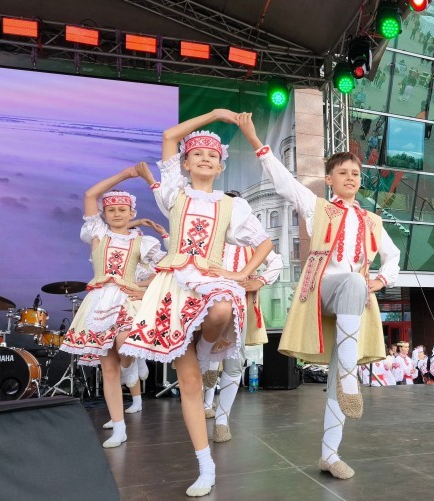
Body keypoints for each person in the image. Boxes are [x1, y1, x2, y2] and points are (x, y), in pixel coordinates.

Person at [119, 110, 272, 497]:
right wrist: (218, 115)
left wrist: (241, 274)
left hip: (210, 279)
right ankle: (206, 466)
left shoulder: (232, 206)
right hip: (172, 285)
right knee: (188, 383)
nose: (205, 159)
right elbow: (169, 135)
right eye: (197, 155)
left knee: (222, 307)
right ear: (185, 164)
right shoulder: (174, 194)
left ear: (221, 166)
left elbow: (266, 243)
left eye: (213, 156)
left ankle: (206, 349)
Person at [240, 113, 400, 480]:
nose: (350, 178)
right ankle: (348, 377)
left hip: (354, 299)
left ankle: (330, 454)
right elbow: (282, 181)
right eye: (342, 173)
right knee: (353, 284)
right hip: (321, 291)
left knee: (356, 291)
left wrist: (381, 279)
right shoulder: (318, 207)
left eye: (355, 173)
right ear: (329, 180)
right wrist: (253, 137)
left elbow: (392, 257)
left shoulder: (373, 221)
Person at [60, 165, 166, 449]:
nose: (117, 214)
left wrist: (141, 289)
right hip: (98, 301)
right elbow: (90, 194)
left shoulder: (144, 242)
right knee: (107, 367)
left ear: (132, 213)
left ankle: (131, 365)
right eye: (111, 210)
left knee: (125, 343)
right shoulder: (96, 234)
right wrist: (125, 175)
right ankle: (119, 427)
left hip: (128, 301)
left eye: (123, 210)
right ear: (104, 215)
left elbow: (163, 271)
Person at [202, 224, 283, 442]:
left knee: (234, 360)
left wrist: (259, 281)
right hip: (202, 300)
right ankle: (206, 404)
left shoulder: (250, 242)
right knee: (204, 354)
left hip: (238, 301)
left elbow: (276, 261)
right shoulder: (205, 235)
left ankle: (221, 420)